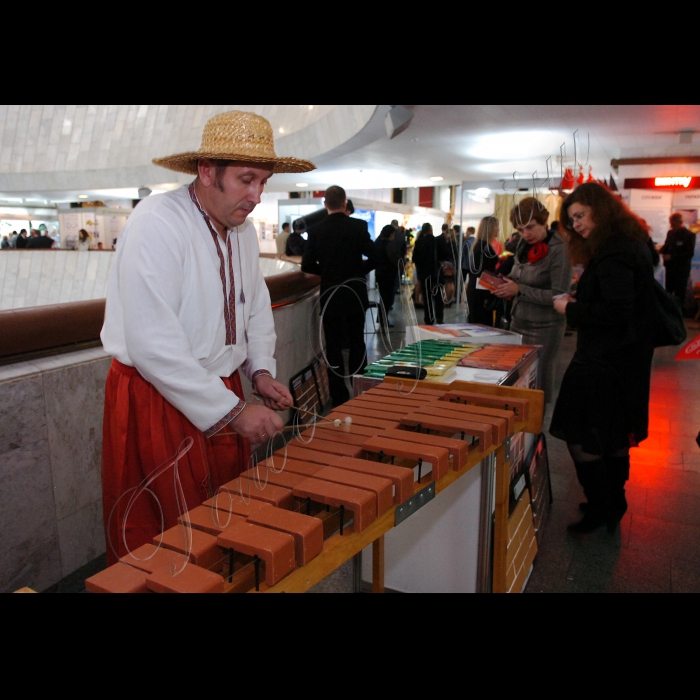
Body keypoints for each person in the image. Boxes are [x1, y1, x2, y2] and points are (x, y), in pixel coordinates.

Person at [100, 109, 315, 563]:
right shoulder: (158, 220)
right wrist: (233, 412)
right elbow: (151, 344)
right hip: (157, 396)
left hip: (223, 391)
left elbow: (255, 307)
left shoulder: (243, 229)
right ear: (206, 172)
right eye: (246, 180)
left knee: (222, 522)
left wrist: (259, 370)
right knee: (166, 539)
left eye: (263, 182)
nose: (257, 196)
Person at [549, 182, 656, 534]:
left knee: (583, 438)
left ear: (600, 209)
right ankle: (611, 501)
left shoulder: (614, 252)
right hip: (622, 361)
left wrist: (571, 308)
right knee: (610, 437)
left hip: (604, 363)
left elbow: (615, 312)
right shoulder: (627, 244)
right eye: (572, 219)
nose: (577, 224)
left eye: (581, 215)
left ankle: (601, 506)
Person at [302, 185, 378, 407]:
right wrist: (357, 270)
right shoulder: (358, 226)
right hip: (355, 291)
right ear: (345, 203)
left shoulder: (316, 231)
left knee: (333, 346)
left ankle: (339, 396)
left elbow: (306, 264)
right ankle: (360, 389)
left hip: (331, 293)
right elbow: (376, 256)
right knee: (357, 341)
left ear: (325, 204)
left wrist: (328, 272)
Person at [492, 198, 572, 403]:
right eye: (520, 230)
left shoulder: (559, 249)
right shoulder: (522, 246)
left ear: (544, 221)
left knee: (538, 385)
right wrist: (506, 283)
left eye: (530, 227)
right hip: (519, 322)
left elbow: (559, 295)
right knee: (520, 383)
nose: (526, 234)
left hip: (545, 327)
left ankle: (536, 433)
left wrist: (519, 290)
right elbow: (519, 274)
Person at [466, 216, 500, 325]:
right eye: (497, 227)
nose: (498, 229)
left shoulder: (480, 245)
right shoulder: (484, 247)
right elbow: (482, 274)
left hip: (477, 290)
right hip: (481, 292)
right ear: (491, 228)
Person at [660, 212, 695, 305]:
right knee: (668, 292)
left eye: (672, 223)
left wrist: (672, 256)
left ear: (679, 222)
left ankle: (678, 314)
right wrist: (657, 251)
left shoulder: (689, 235)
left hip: (681, 270)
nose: (671, 225)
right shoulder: (670, 233)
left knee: (680, 293)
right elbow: (666, 246)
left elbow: (689, 253)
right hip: (670, 268)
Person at [412, 222, 444, 325]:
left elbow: (415, 258)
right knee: (438, 297)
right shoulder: (436, 241)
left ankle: (429, 318)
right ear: (430, 230)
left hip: (424, 274)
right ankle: (439, 317)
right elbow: (441, 256)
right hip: (435, 273)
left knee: (427, 297)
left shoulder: (419, 242)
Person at [374, 224, 400, 331]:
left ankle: (381, 318)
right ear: (391, 234)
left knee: (382, 297)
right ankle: (383, 319)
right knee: (387, 298)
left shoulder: (378, 243)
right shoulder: (389, 245)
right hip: (389, 275)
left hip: (380, 274)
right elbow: (394, 261)